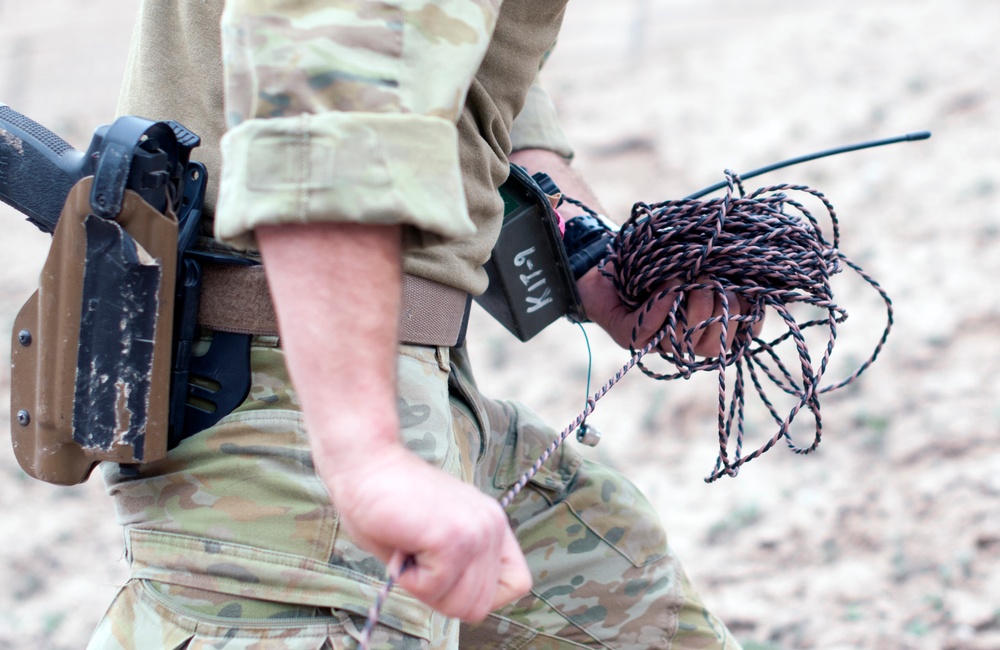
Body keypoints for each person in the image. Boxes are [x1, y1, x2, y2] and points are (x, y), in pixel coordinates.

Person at [88, 1, 750, 647]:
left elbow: (464, 62)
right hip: (277, 398)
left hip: (411, 383)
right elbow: (330, 55)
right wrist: (364, 456)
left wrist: (586, 248)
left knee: (636, 613)